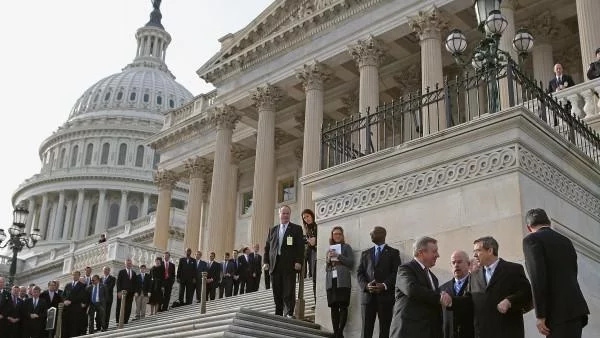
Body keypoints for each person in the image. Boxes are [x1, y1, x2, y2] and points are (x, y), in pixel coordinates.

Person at [522, 208, 589, 338]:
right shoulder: (566, 241)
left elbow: (537, 278)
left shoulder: (531, 240)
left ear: (529, 228)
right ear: (549, 222)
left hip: (557, 314)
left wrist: (540, 315)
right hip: (576, 310)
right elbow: (573, 271)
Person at [462, 236, 532, 338]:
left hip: (508, 332)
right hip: (482, 334)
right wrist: (450, 301)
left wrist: (509, 301)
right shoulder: (473, 276)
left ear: (490, 250)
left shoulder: (513, 269)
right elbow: (467, 300)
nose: (474, 255)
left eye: (478, 251)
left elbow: (526, 292)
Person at [389, 236, 443, 338]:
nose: (438, 255)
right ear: (421, 252)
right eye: (434, 251)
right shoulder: (405, 269)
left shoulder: (433, 278)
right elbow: (411, 289)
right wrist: (439, 298)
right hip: (408, 332)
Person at [357, 226, 401, 338]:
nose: (370, 235)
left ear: (382, 234)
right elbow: (360, 273)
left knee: (385, 330)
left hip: (385, 297)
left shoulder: (393, 253)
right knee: (366, 330)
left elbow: (397, 273)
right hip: (368, 298)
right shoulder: (365, 253)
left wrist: (384, 285)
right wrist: (366, 286)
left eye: (373, 233)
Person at [264, 205, 304, 318]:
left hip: (289, 265)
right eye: (283, 213)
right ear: (279, 214)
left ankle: (289, 313)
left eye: (287, 213)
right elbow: (267, 247)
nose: (285, 215)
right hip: (275, 265)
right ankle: (278, 313)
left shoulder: (296, 229)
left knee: (288, 290)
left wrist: (298, 261)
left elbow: (300, 247)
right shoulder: (273, 230)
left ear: (290, 215)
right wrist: (266, 261)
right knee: (277, 291)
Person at [325, 226, 354, 338]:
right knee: (333, 306)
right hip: (331, 279)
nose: (337, 236)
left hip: (343, 279)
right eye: (335, 234)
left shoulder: (347, 247)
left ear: (342, 236)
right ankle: (335, 331)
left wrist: (338, 256)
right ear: (332, 236)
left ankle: (340, 332)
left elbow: (351, 262)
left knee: (343, 305)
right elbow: (326, 267)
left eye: (339, 234)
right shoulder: (329, 249)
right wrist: (328, 259)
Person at [440, 250, 473, 338]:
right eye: (453, 263)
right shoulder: (442, 288)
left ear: (468, 264)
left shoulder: (477, 283)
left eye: (459, 262)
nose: (456, 265)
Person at [62, 271, 87, 338]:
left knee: (74, 326)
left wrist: (71, 301)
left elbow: (81, 296)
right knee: (66, 326)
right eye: (73, 275)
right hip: (67, 309)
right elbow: (63, 295)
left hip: (76, 309)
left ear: (79, 276)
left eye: (76, 275)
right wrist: (64, 301)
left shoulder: (82, 286)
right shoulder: (68, 285)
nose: (74, 276)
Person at [302, 208, 317, 304]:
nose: (306, 219)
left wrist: (316, 242)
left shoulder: (318, 225)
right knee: (314, 280)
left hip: (319, 254)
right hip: (312, 256)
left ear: (312, 215)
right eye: (304, 218)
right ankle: (316, 303)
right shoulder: (307, 230)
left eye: (307, 216)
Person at [116, 258, 138, 325]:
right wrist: (119, 291)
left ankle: (126, 320)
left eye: (130, 263)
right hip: (122, 293)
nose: (129, 264)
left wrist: (136, 292)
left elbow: (135, 283)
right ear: (125, 264)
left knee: (128, 307)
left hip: (131, 293)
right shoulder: (121, 272)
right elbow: (118, 282)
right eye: (127, 263)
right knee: (120, 306)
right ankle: (118, 321)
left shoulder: (134, 273)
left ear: (131, 264)